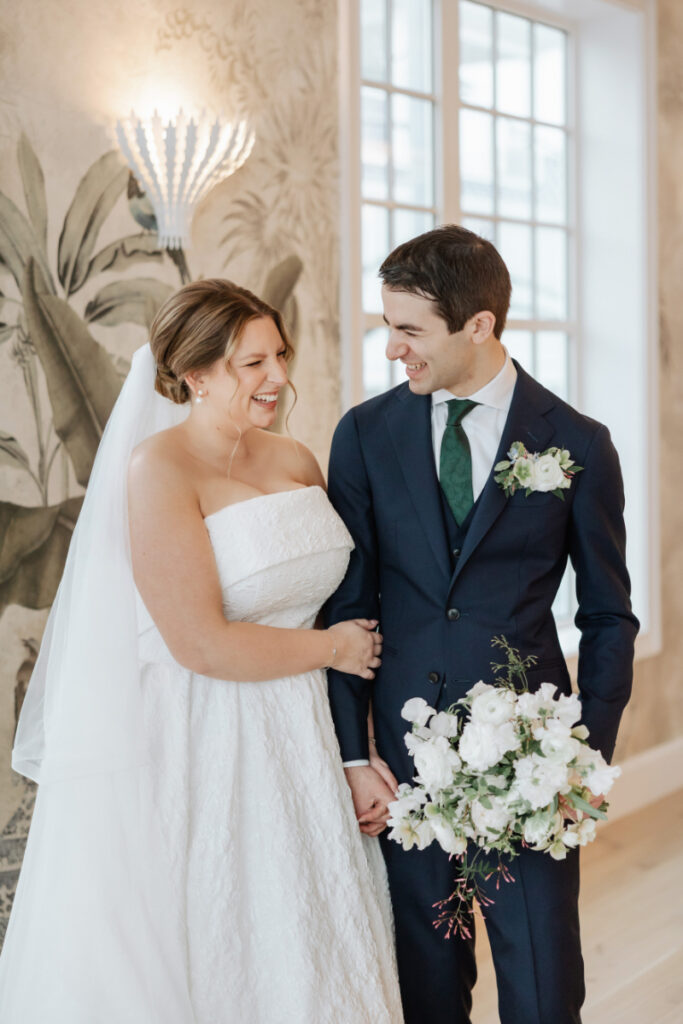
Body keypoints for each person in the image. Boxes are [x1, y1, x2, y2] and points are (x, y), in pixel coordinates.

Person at [0, 279, 404, 1023]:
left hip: (306, 730)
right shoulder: (158, 470)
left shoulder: (295, 461)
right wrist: (332, 648)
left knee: (319, 930)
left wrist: (357, 748)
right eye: (253, 363)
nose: (278, 377)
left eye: (279, 355)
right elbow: (199, 643)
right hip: (213, 734)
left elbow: (346, 595)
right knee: (237, 931)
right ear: (196, 374)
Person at [324, 225, 639, 1024]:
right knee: (427, 987)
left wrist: (583, 761)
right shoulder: (363, 434)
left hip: (530, 765)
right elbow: (348, 604)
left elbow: (606, 616)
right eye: (387, 325)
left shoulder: (576, 443)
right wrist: (352, 754)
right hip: (402, 762)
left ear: (479, 326)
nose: (393, 348)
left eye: (409, 329)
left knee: (540, 987)